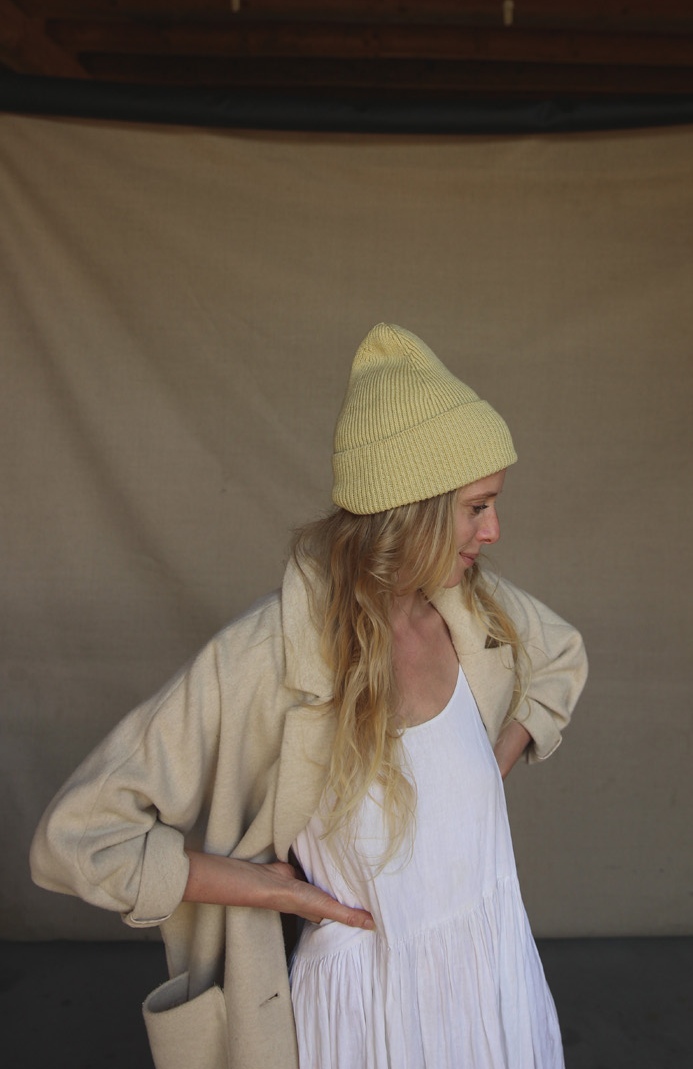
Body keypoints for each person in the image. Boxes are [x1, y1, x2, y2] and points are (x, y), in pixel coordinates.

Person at [31, 323, 588, 1069]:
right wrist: (270, 891)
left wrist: (491, 766)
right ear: (412, 506)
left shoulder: (472, 610)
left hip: (496, 982)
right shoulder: (269, 655)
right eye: (476, 507)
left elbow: (560, 656)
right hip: (367, 1020)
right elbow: (78, 839)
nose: (493, 531)